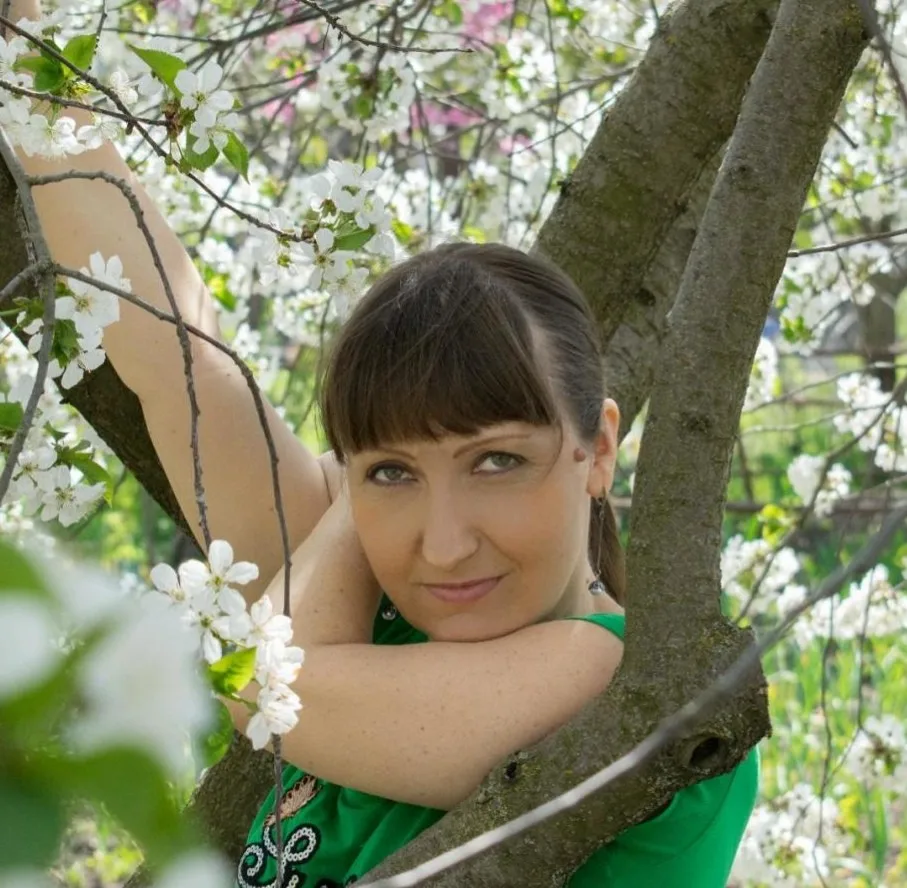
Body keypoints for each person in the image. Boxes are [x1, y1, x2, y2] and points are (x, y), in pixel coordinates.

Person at [3, 6, 759, 883]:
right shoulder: (374, 624)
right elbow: (182, 362)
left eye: (496, 461)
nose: (443, 543)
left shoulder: (616, 681)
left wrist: (367, 478)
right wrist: (26, 52)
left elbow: (259, 677)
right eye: (395, 473)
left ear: (596, 449)